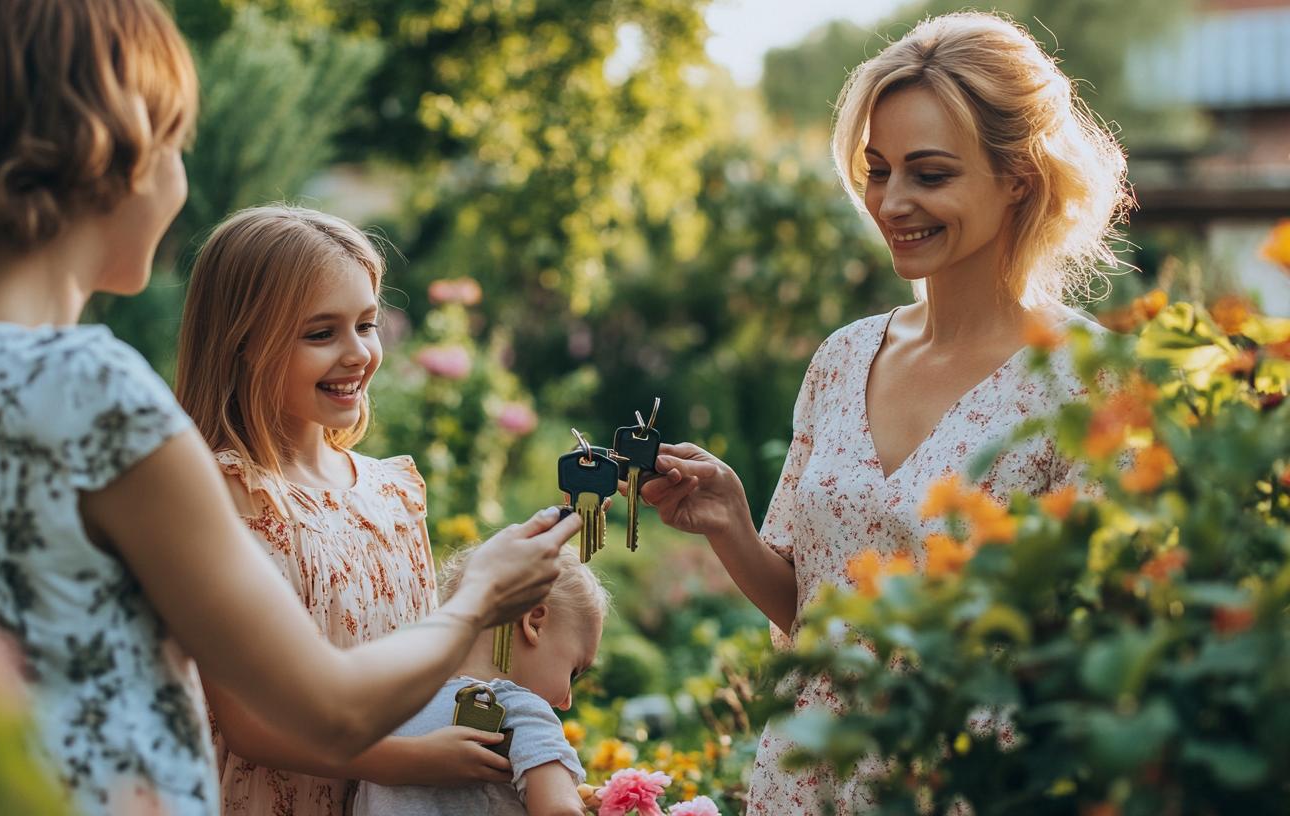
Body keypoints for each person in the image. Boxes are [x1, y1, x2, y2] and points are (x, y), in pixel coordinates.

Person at [0, 2, 578, 813]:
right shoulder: (89, 395)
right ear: (106, 150)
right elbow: (331, 707)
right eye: (176, 143)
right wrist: (482, 596)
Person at [637, 12, 1130, 814]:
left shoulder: (1086, 382)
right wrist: (729, 518)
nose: (892, 202)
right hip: (800, 784)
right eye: (877, 170)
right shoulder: (843, 358)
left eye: (929, 174)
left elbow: (1105, 657)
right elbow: (812, 610)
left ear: (1021, 177)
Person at [174, 204, 521, 813]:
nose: (358, 353)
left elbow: (421, 664)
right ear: (242, 342)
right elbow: (251, 724)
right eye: (320, 333)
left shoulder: (391, 493)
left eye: (367, 323)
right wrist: (418, 761)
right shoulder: (229, 495)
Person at [352, 545, 607, 816]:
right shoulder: (520, 709)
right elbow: (559, 810)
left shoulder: (391, 704)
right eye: (573, 671)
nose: (567, 701)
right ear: (534, 621)